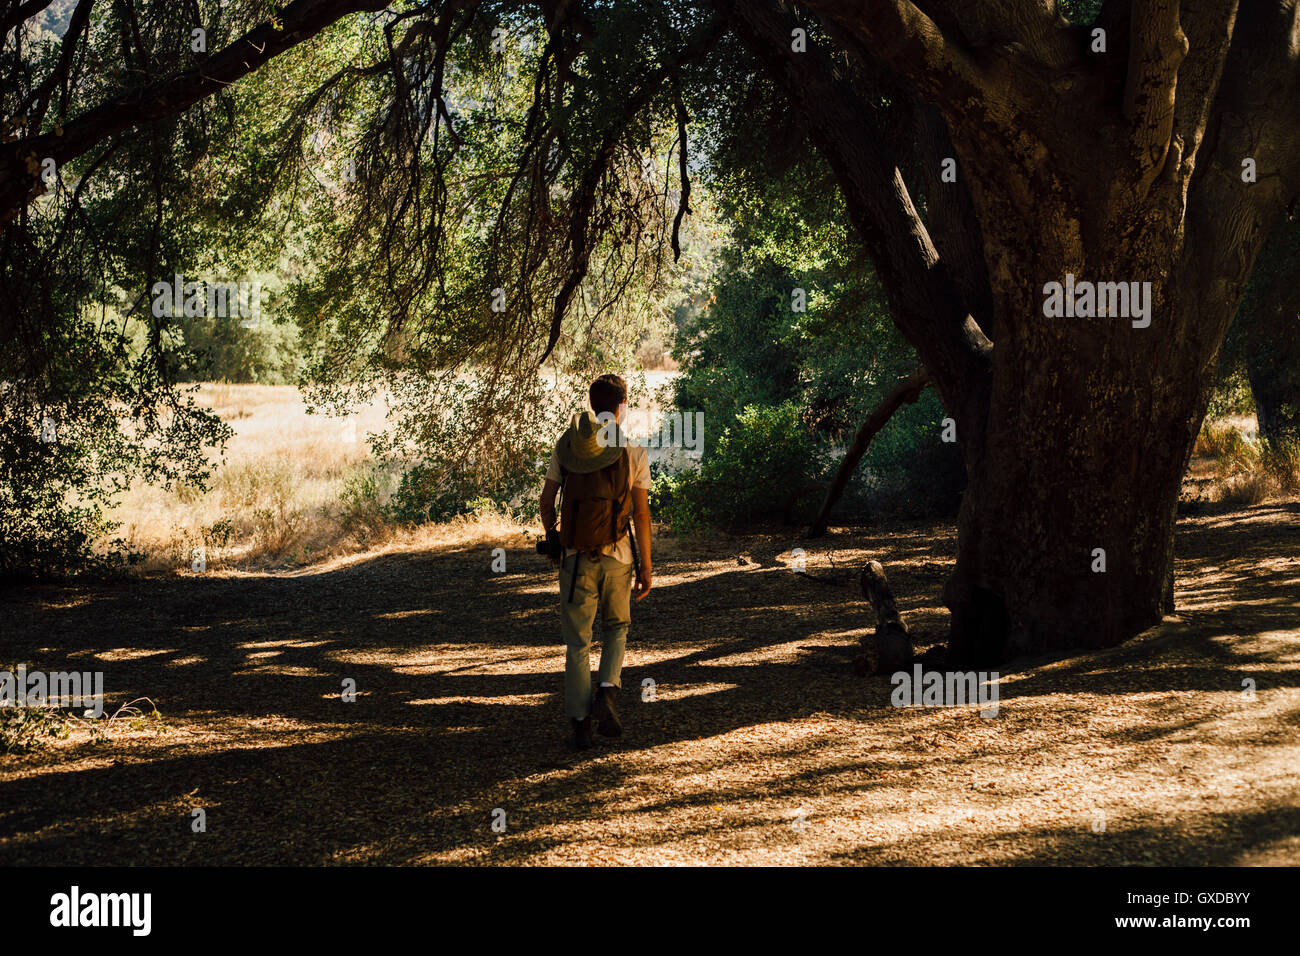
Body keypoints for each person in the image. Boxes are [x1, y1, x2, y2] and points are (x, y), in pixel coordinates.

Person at [539, 374, 652, 750]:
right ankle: (606, 691)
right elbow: (641, 515)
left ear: (592, 406)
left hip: (575, 559)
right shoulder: (632, 451)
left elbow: (546, 501)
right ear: (621, 407)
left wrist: (554, 537)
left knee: (578, 643)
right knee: (616, 627)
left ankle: (580, 725)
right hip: (618, 557)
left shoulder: (568, 447)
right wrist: (646, 567)